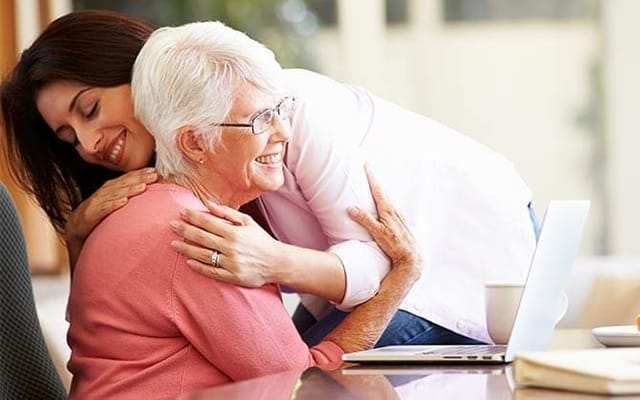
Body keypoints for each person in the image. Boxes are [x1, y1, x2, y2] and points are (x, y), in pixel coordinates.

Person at [1, 11, 537, 347]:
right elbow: (97, 329)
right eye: (70, 138)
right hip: (374, 281)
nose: (90, 144)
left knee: (317, 376)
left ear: (141, 71)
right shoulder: (168, 191)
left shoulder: (277, 112)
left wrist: (271, 262)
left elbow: (375, 262)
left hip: (463, 256)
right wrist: (76, 236)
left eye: (90, 109)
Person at [64, 20, 422, 396]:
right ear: (196, 143)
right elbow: (305, 386)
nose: (283, 132)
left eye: (281, 110)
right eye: (260, 118)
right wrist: (401, 278)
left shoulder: (156, 207)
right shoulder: (197, 232)